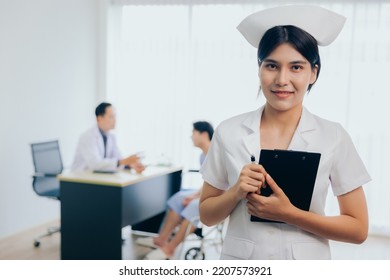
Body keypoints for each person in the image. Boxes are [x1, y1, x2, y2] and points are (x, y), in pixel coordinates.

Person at [199, 5, 371, 260]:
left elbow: (358, 229)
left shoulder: (333, 136)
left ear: (313, 73)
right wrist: (235, 191)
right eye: (271, 66)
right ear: (259, 70)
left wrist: (288, 214)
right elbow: (206, 215)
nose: (282, 79)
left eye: (296, 67)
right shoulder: (229, 131)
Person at [137, 121, 214, 260]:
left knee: (193, 206)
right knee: (178, 198)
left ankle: (169, 249)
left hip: (218, 194)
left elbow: (216, 185)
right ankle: (161, 239)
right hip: (207, 190)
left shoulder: (215, 154)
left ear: (203, 134)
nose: (191, 136)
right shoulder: (203, 156)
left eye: (193, 133)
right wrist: (193, 195)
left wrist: (194, 198)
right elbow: (207, 183)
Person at [71, 102, 145, 173]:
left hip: (97, 177)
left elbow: (117, 158)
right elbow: (95, 164)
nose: (115, 120)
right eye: (111, 117)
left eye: (115, 116)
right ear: (99, 118)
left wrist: (130, 164)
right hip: (80, 178)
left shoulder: (111, 137)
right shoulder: (87, 136)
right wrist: (124, 161)